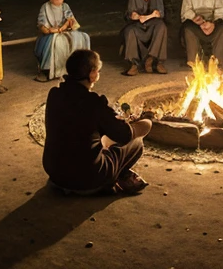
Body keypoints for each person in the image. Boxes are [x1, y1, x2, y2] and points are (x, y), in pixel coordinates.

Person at [43, 48, 152, 195]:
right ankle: (109, 181)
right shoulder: (94, 102)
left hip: (55, 172)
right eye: (98, 71)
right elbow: (125, 135)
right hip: (88, 178)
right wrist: (147, 122)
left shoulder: (54, 94)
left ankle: (107, 175)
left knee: (101, 142)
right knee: (136, 143)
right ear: (92, 74)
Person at [34, 0, 91, 82]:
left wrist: (61, 28)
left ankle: (80, 68)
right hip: (49, 35)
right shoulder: (45, 7)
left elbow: (70, 20)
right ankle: (47, 70)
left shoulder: (65, 6)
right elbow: (42, 25)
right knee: (56, 41)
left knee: (83, 36)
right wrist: (51, 31)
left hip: (64, 31)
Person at [122, 0, 167, 76]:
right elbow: (131, 13)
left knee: (161, 27)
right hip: (137, 24)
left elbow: (160, 13)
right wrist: (137, 17)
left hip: (153, 23)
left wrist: (151, 16)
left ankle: (153, 60)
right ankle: (134, 64)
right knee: (130, 31)